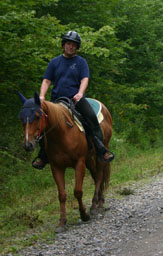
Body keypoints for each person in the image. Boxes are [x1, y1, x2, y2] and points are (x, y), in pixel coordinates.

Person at [32, 31, 114, 169]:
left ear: (77, 47)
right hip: (57, 102)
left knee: (91, 118)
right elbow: (46, 80)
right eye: (68, 43)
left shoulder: (81, 62)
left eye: (73, 45)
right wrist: (41, 96)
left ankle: (101, 149)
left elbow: (84, 79)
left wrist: (80, 93)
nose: (70, 47)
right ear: (63, 45)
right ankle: (43, 155)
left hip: (75, 99)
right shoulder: (54, 62)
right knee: (43, 123)